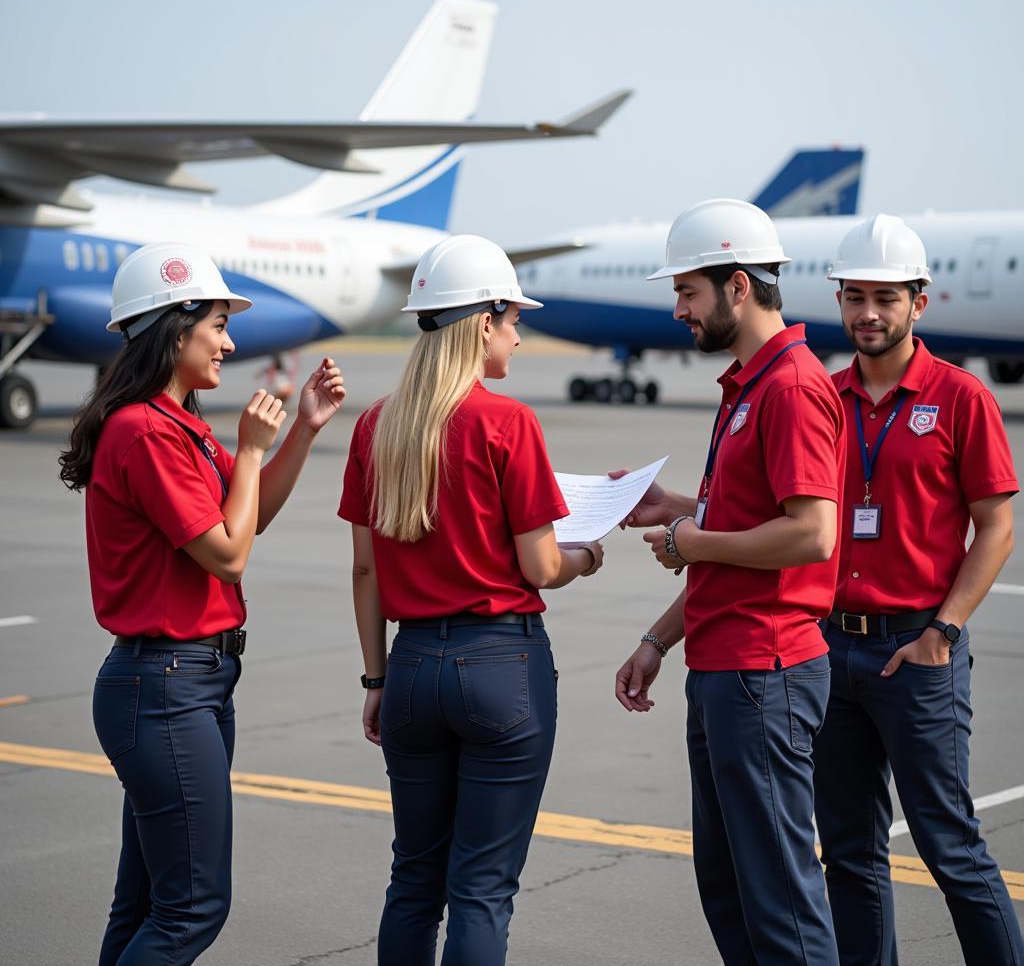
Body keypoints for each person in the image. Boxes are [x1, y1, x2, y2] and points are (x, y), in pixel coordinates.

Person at [58, 242, 346, 966]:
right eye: (217, 324)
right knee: (191, 909)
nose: (231, 341)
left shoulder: (176, 422)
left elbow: (247, 519)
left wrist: (302, 429)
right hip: (165, 688)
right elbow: (228, 552)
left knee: (149, 902)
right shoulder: (146, 431)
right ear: (171, 328)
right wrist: (249, 451)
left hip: (190, 684)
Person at [338, 234, 604, 966]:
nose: (519, 333)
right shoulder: (506, 423)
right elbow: (542, 565)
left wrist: (376, 678)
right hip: (500, 665)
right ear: (482, 321)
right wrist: (583, 559)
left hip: (413, 667)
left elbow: (366, 573)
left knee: (414, 879)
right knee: (481, 888)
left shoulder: (376, 426)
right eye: (513, 317)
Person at [613, 199, 844, 964]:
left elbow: (812, 533)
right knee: (732, 891)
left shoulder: (789, 387)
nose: (679, 309)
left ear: (738, 285)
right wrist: (659, 634)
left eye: (688, 292)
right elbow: (744, 526)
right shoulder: (750, 383)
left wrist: (689, 537)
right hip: (725, 668)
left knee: (780, 902)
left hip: (765, 674)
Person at [813, 214, 1023, 965]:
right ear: (839, 301)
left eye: (886, 298)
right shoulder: (822, 398)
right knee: (848, 852)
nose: (868, 313)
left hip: (918, 651)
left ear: (919, 303)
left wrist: (945, 631)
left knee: (948, 844)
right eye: (855, 296)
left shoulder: (961, 397)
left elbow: (996, 529)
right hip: (830, 650)